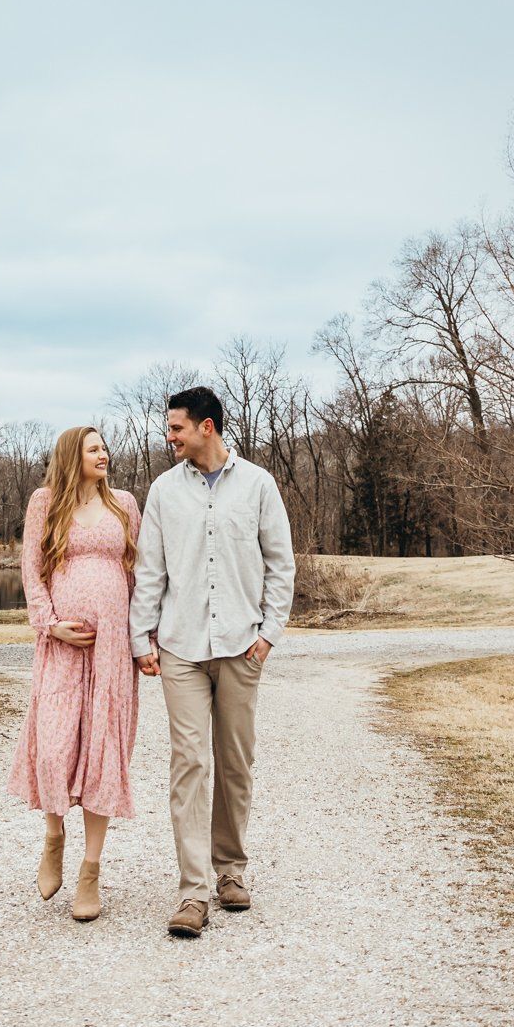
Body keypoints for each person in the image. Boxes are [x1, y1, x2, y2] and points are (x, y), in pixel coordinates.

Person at [129, 386, 295, 938]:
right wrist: (141, 638)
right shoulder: (162, 491)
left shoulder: (259, 485)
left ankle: (231, 872)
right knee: (189, 764)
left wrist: (269, 634)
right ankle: (193, 892)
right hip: (180, 648)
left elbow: (280, 564)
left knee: (235, 763)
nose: (168, 436)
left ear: (207, 426)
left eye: (176, 428)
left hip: (241, 646)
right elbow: (150, 570)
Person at [7, 425, 142, 922]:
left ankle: (90, 872)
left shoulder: (125, 503)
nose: (103, 454)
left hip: (111, 650)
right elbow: (31, 571)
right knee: (57, 740)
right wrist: (49, 625)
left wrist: (140, 637)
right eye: (93, 448)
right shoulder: (46, 502)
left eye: (105, 447)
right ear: (73, 456)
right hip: (62, 647)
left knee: (103, 753)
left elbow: (136, 574)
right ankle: (53, 835)